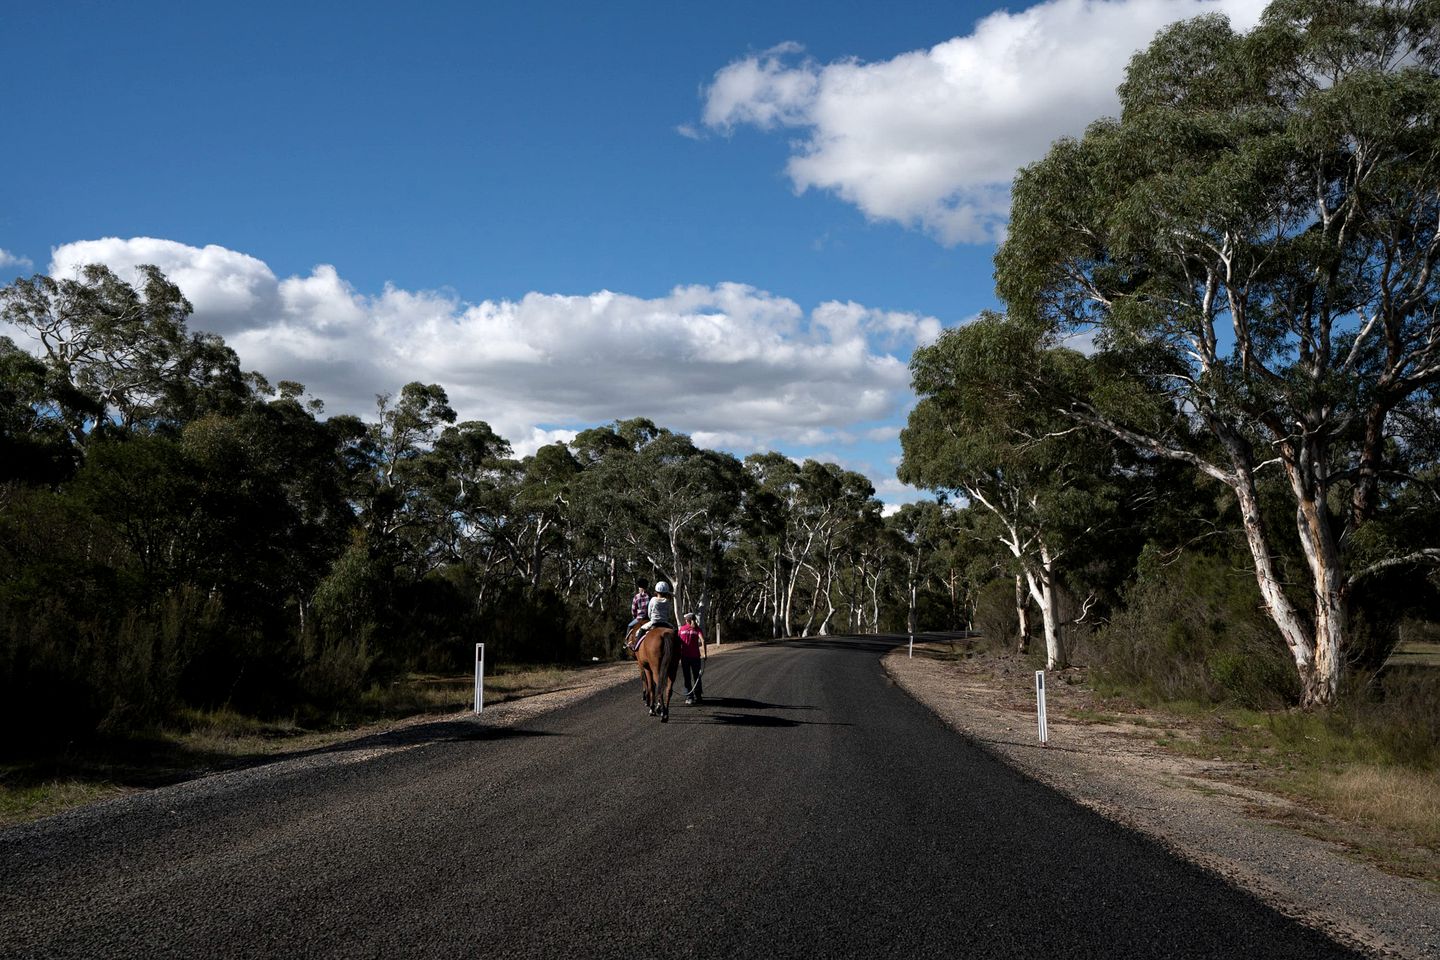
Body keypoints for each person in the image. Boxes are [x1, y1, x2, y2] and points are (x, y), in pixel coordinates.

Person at [677, 612, 706, 704]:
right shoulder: (697, 629)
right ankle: (698, 696)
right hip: (695, 657)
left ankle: (689, 697)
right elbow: (703, 640)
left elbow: (678, 643)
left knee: (687, 677)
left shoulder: (681, 629)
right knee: (697, 677)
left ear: (687, 620)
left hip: (684, 657)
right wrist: (705, 654)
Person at [625, 581, 650, 651]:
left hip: (639, 618)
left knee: (629, 625)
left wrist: (635, 616)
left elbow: (633, 610)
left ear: (640, 588)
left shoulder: (637, 597)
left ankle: (626, 642)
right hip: (649, 618)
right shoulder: (650, 596)